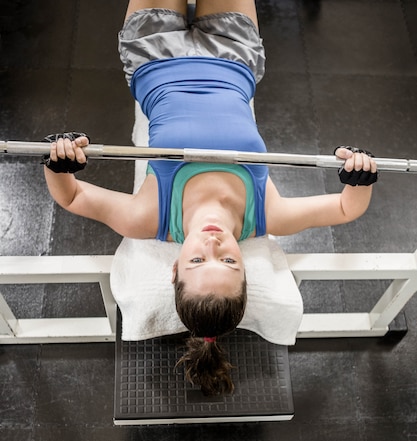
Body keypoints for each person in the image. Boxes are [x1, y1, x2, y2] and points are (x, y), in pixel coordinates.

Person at [42, 0, 378, 395]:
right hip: (234, 52)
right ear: (245, 266)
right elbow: (343, 208)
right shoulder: (266, 214)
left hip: (154, 52)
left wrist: (59, 165)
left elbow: (74, 199)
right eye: (230, 260)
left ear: (175, 269)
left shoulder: (150, 218)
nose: (213, 243)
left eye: (199, 260)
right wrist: (359, 176)